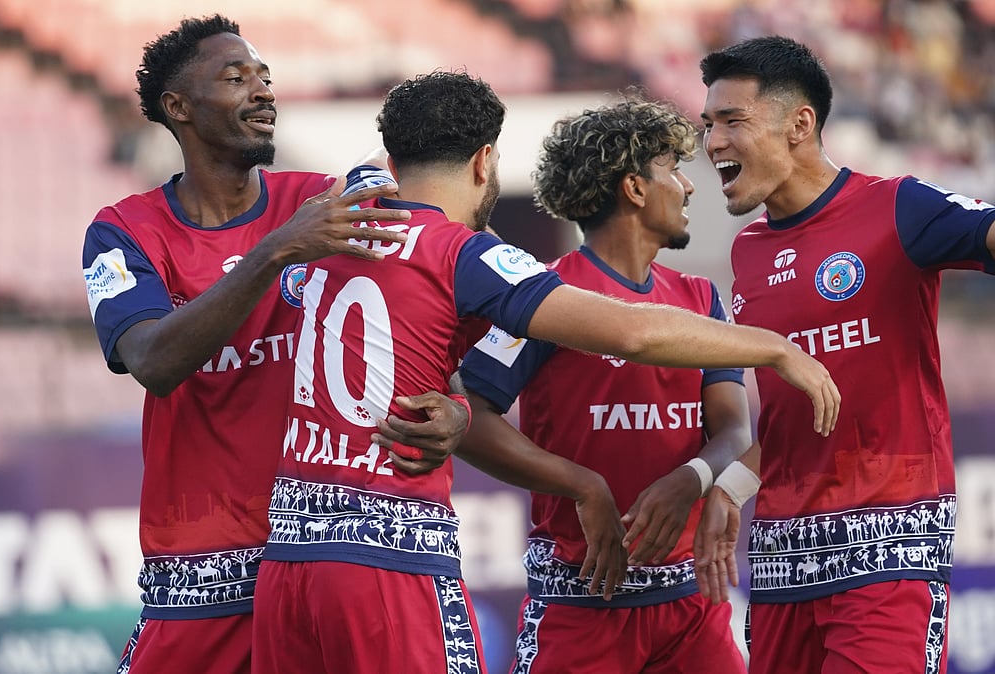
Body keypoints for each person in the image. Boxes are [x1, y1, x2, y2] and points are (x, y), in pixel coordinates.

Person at [251, 70, 839, 674]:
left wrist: (696, 477)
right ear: (485, 161)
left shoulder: (339, 222)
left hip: (290, 551)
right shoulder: (472, 258)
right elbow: (631, 332)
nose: (688, 185)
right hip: (398, 553)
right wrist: (773, 348)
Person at [80, 15, 471, 674]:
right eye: (237, 78)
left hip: (324, 559)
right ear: (178, 108)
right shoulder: (126, 230)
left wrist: (456, 413)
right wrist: (277, 249)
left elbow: (422, 344)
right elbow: (153, 361)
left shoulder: (326, 201)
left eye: (265, 77)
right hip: (201, 574)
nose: (263, 92)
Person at [693, 35, 995, 674]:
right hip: (779, 562)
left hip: (890, 549)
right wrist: (731, 486)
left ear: (800, 124)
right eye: (708, 124)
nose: (713, 141)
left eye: (731, 121)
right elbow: (795, 414)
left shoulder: (898, 207)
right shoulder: (747, 252)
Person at [455, 98, 749, 673]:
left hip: (692, 612)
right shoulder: (545, 296)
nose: (689, 187)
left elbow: (735, 429)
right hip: (579, 607)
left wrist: (696, 479)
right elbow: (470, 418)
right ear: (635, 188)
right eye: (672, 169)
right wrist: (582, 485)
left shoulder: (701, 299)